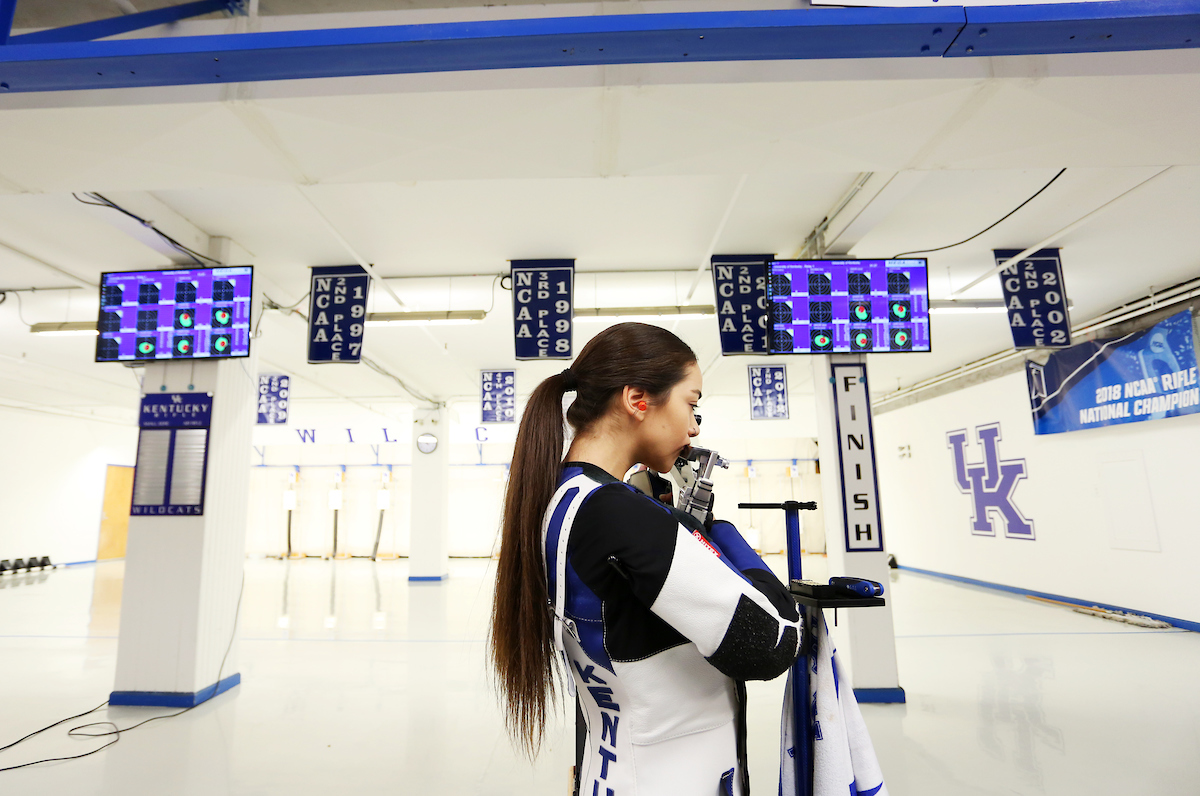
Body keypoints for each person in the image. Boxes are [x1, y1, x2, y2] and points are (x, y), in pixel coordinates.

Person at [490, 323, 801, 795]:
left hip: (618, 767)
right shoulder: (613, 511)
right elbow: (773, 641)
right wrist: (720, 534)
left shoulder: (565, 497)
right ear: (637, 399)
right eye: (691, 403)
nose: (694, 427)